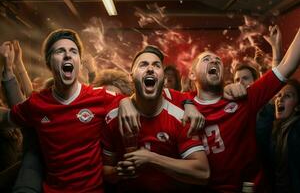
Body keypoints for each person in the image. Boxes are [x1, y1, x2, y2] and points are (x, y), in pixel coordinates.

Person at [0, 29, 139, 193]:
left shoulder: (99, 97)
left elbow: (136, 103)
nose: (67, 55)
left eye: (73, 51)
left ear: (79, 62)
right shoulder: (37, 103)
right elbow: (7, 117)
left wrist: (127, 101)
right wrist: (9, 69)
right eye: (60, 51)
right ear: (49, 63)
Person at [184, 27, 300, 192]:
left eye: (217, 60)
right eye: (206, 59)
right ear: (192, 75)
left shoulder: (244, 99)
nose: (214, 61)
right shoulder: (181, 105)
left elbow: (288, 66)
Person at [101, 45, 210, 193]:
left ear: (164, 79)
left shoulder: (181, 115)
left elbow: (203, 173)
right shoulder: (114, 115)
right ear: (131, 77)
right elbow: (104, 170)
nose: (150, 68)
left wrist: (152, 159)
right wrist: (118, 171)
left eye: (156, 65)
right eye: (143, 64)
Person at [257, 79, 300, 193]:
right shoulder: (277, 131)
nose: (280, 99)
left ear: (298, 105)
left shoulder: (296, 130)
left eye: (288, 96)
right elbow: (261, 133)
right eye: (278, 95)